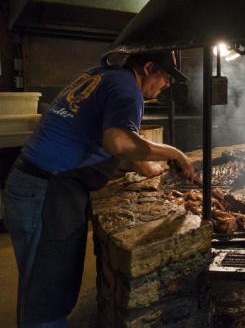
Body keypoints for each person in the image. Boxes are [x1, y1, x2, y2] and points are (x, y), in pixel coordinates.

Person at [2, 52, 196, 327]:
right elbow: (117, 141)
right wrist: (174, 153)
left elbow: (112, 133)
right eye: (165, 77)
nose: (166, 84)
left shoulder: (101, 75)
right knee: (47, 295)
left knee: (39, 286)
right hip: (46, 191)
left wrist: (149, 167)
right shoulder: (128, 90)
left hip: (36, 185)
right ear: (148, 67)